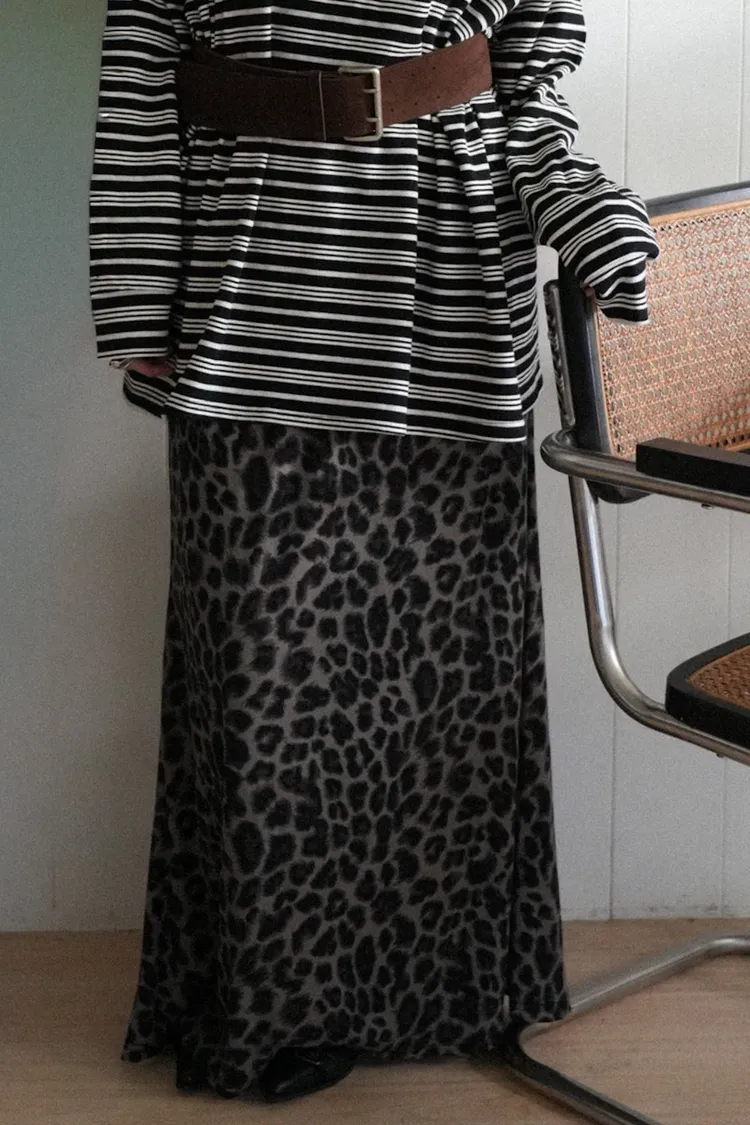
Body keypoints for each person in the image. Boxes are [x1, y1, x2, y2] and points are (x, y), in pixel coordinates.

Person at [89, 0, 659, 1104]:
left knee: (446, 692)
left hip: (447, 303)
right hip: (249, 313)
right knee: (263, 700)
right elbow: (139, 82)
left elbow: (529, 90)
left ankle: (450, 993)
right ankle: (273, 1010)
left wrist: (586, 209)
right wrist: (137, 300)